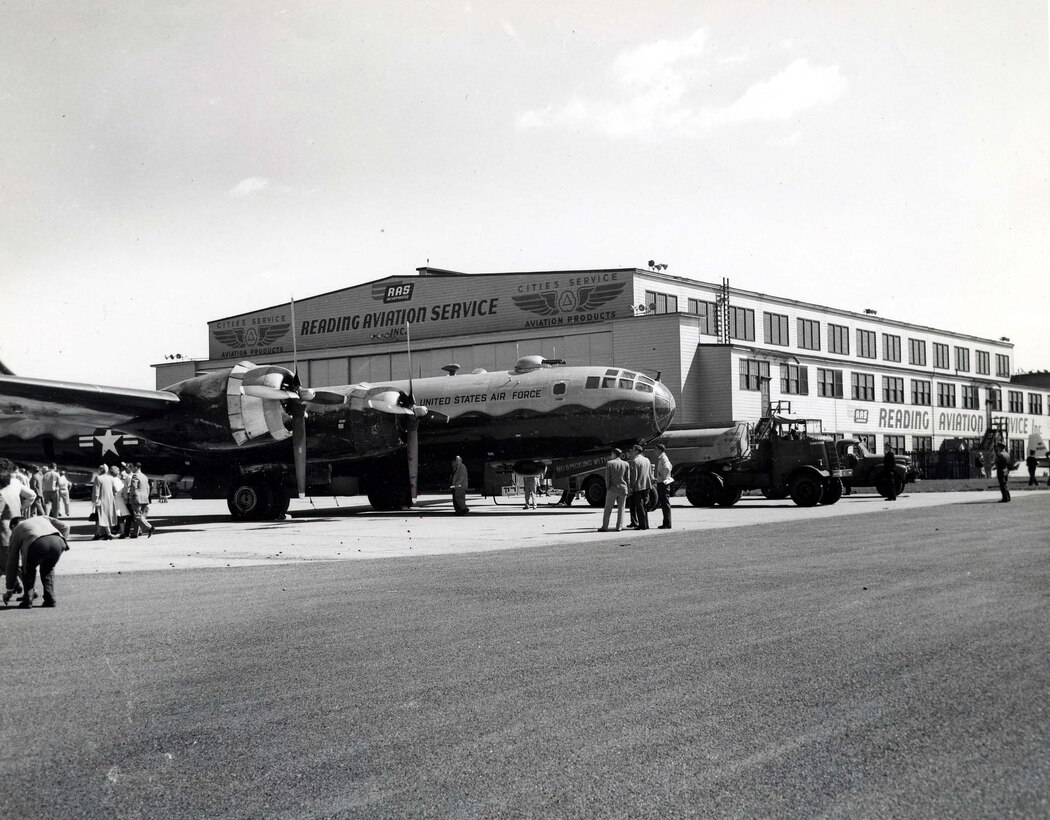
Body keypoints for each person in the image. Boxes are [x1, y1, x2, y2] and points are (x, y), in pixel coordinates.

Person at [3, 515, 69, 608]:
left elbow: (12, 562)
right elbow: (65, 527)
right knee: (48, 570)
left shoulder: (17, 530)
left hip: (36, 543)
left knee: (28, 570)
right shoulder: (42, 517)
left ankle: (28, 600)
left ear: (13, 526)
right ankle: (50, 599)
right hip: (58, 541)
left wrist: (10, 590)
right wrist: (62, 541)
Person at [0, 459, 37, 595]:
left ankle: (31, 589)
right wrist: (21, 508)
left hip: (3, 531)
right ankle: (15, 585)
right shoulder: (15, 482)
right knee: (14, 560)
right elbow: (32, 495)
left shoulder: (1, 487)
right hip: (18, 526)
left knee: (12, 563)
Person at [598, 448, 629, 531]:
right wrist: (628, 489)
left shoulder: (609, 463)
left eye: (612, 454)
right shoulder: (626, 464)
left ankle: (605, 527)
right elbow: (627, 478)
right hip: (623, 489)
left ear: (614, 454)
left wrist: (607, 487)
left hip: (612, 488)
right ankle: (619, 527)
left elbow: (607, 477)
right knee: (621, 509)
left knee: (608, 508)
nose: (611, 455)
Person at [627, 444, 653, 530]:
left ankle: (642, 525)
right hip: (646, 485)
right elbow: (649, 474)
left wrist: (631, 487)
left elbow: (634, 477)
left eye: (633, 450)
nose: (632, 452)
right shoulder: (647, 460)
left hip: (638, 487)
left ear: (637, 451)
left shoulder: (635, 461)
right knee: (645, 506)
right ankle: (646, 524)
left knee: (639, 506)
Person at [127, 463, 156, 537]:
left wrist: (130, 495)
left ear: (136, 467)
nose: (131, 468)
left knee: (137, 516)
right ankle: (135, 533)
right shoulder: (144, 476)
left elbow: (133, 487)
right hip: (144, 498)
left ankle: (150, 527)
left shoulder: (135, 475)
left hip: (137, 498)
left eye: (131, 467)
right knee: (140, 516)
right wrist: (146, 496)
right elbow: (148, 487)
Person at [91, 464, 119, 540]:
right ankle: (98, 534)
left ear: (100, 470)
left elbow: (96, 492)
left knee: (102, 518)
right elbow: (115, 490)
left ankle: (107, 534)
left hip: (101, 501)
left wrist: (94, 501)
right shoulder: (111, 478)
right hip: (110, 500)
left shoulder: (98, 478)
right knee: (105, 517)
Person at [654, 443, 673, 529]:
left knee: (665, 503)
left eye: (656, 449)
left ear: (660, 450)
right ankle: (666, 522)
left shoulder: (663, 458)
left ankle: (667, 523)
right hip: (662, 482)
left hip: (663, 483)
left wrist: (662, 475)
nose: (655, 451)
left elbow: (667, 468)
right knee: (664, 503)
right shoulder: (662, 458)